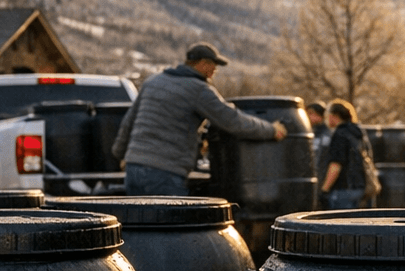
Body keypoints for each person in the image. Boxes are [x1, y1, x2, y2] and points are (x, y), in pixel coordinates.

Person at [111, 42, 285, 195]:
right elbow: (233, 121)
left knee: (140, 221)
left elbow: (128, 122)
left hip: (133, 169)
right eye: (214, 66)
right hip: (165, 173)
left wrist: (120, 155)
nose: (214, 71)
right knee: (170, 222)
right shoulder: (198, 89)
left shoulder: (152, 81)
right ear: (203, 64)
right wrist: (271, 130)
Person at [320, 99, 370, 209]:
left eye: (327, 115)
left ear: (335, 116)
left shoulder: (339, 134)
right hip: (361, 188)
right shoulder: (359, 132)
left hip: (343, 190)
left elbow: (336, 164)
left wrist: (324, 189)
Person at [306, 101, 332, 186]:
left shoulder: (328, 134)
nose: (308, 116)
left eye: (311, 113)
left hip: (323, 177)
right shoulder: (309, 132)